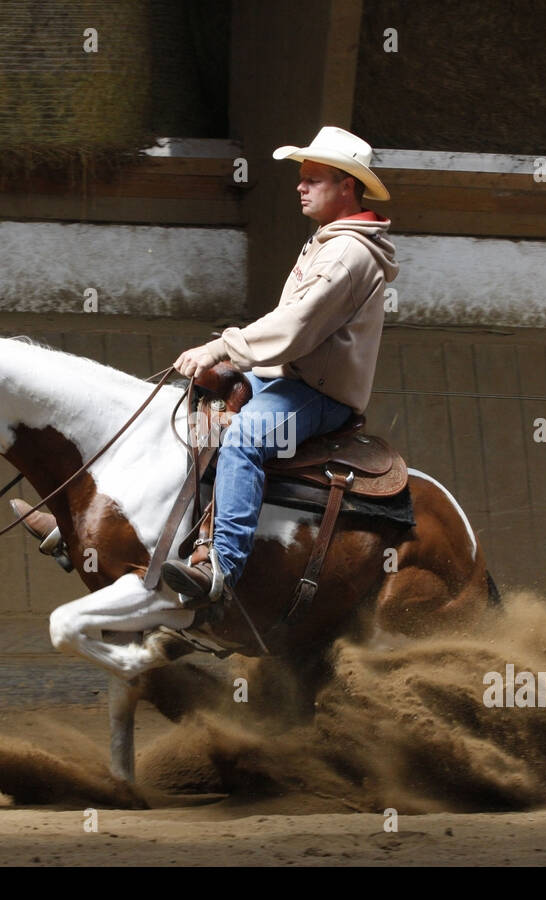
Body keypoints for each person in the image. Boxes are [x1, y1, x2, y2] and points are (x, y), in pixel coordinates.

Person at [162, 126, 399, 603]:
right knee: (197, 410)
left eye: (312, 178)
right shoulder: (328, 241)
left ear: (346, 185)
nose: (300, 186)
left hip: (317, 395)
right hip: (283, 377)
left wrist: (221, 347)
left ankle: (221, 569)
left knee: (246, 439)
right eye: (302, 178)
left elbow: (294, 327)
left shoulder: (349, 254)